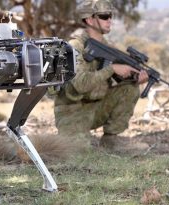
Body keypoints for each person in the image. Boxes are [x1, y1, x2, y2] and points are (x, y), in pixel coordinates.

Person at [54, 0, 149, 153]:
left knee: (130, 88)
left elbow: (112, 82)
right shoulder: (74, 46)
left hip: (97, 107)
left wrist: (133, 79)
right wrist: (112, 68)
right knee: (80, 153)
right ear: (89, 20)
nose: (110, 20)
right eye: (104, 16)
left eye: (110, 15)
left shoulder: (109, 48)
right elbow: (81, 84)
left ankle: (111, 140)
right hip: (72, 112)